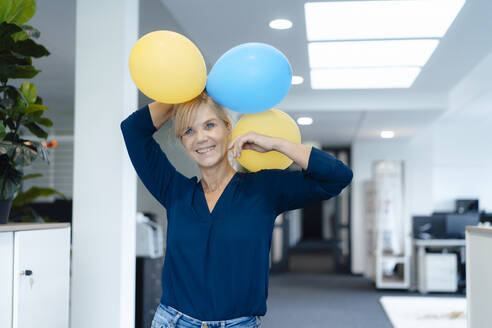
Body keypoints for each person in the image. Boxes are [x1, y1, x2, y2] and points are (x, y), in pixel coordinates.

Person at [120, 90, 353, 328]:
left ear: (228, 129)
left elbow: (337, 177)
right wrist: (184, 91)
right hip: (173, 322)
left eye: (209, 125)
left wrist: (276, 144)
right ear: (182, 141)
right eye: (189, 130)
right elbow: (133, 130)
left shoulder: (263, 190)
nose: (201, 138)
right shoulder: (174, 191)